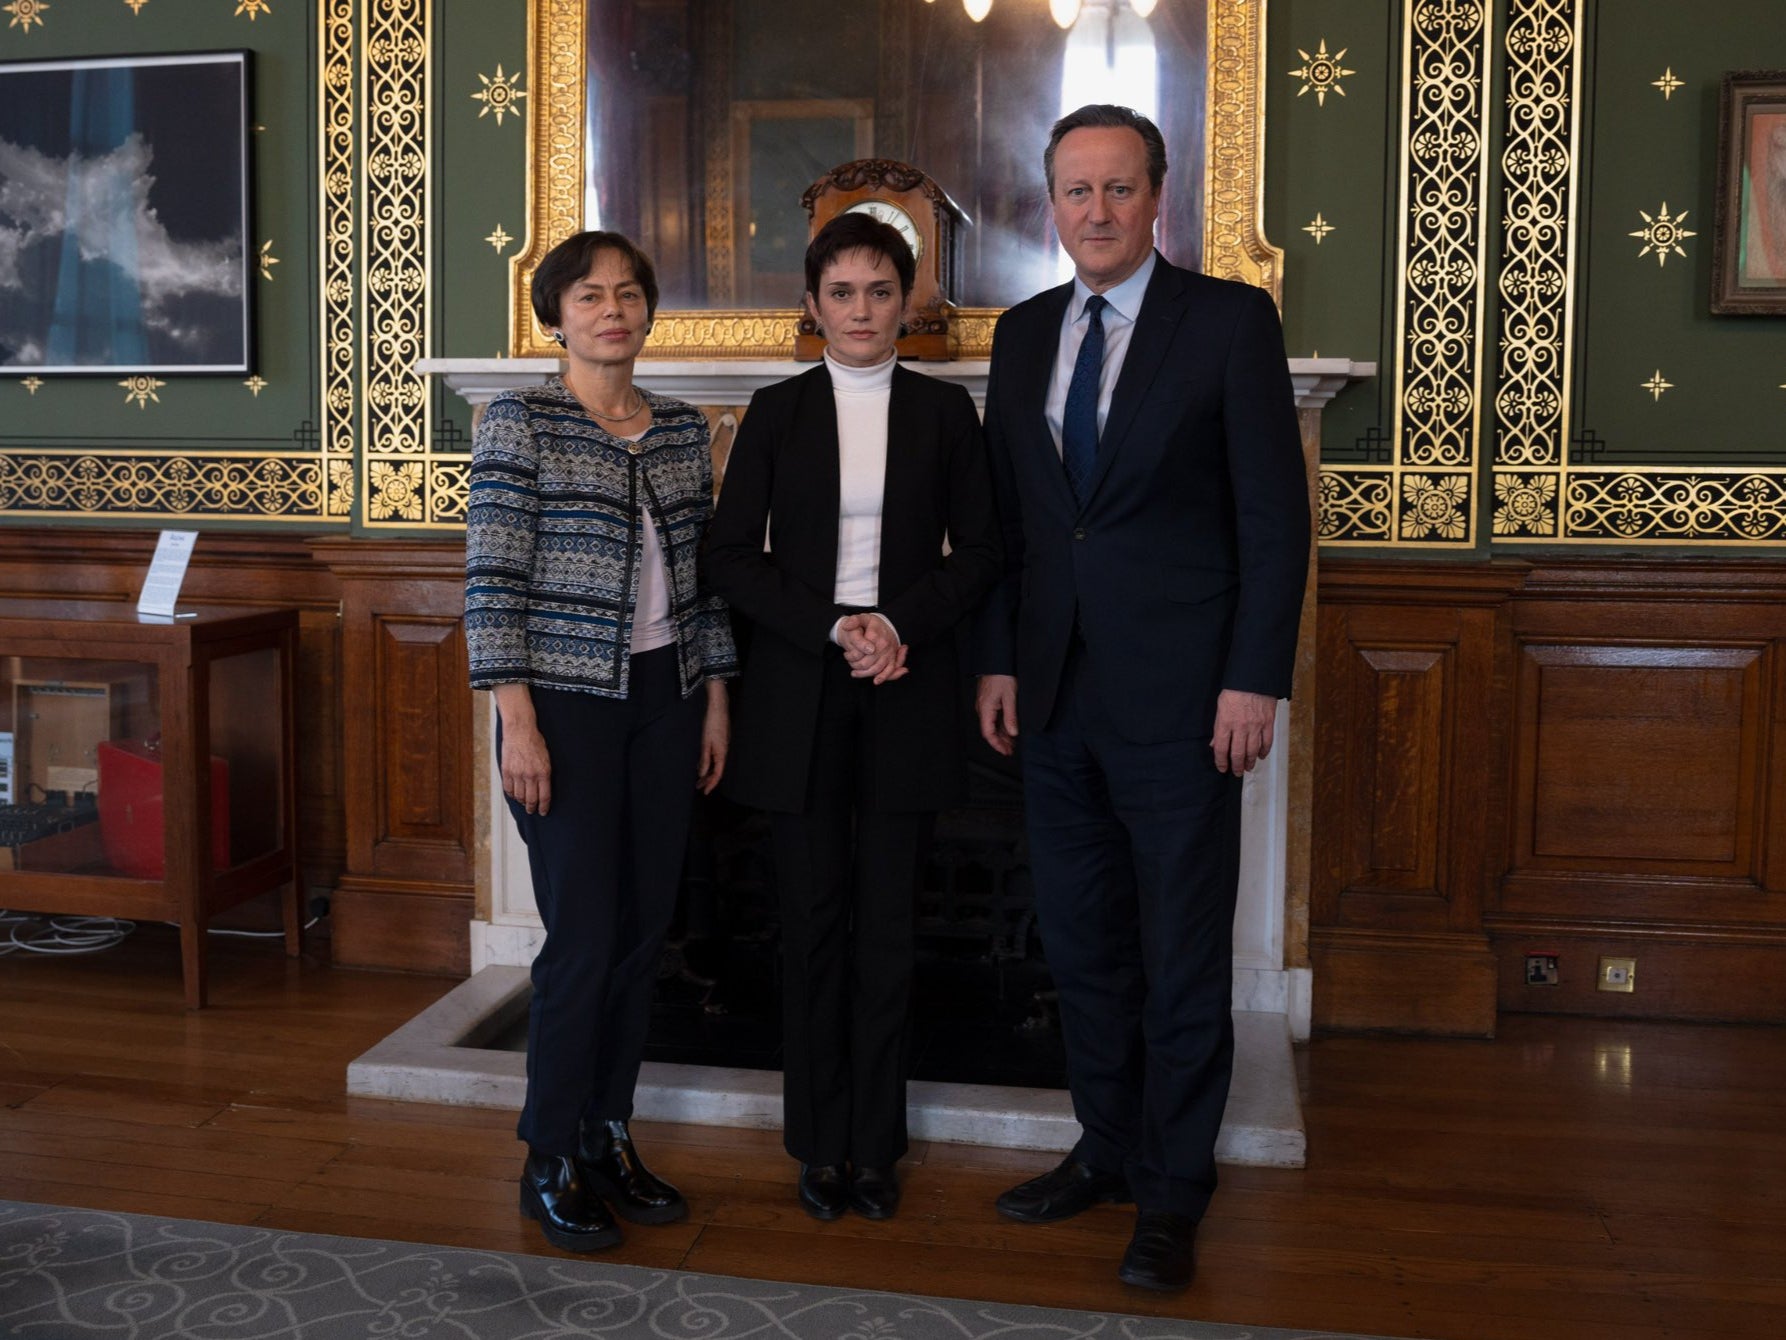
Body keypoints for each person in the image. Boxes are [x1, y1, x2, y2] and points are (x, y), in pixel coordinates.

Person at [974, 105, 1309, 1291]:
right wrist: (1003, 656)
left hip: (1184, 703)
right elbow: (1022, 523)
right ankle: (1104, 1150)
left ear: (1157, 196)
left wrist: (1253, 675)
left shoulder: (1227, 322)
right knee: (1082, 946)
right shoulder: (1020, 338)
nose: (1098, 211)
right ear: (1050, 203)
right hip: (1055, 694)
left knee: (1177, 957)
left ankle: (1174, 1190)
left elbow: (1274, 519)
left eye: (1120, 188)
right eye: (1077, 190)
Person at [705, 212, 1001, 1222]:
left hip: (907, 688)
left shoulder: (944, 415)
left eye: (880, 291)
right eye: (841, 292)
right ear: (811, 304)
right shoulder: (776, 411)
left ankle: (874, 1147)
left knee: (886, 929)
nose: (862, 309)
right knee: (812, 924)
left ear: (905, 302)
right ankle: (815, 1141)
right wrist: (837, 627)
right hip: (801, 691)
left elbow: (982, 553)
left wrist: (893, 626)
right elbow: (731, 555)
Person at [464, 230, 737, 1252]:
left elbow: (702, 581)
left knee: (638, 934)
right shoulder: (518, 421)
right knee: (581, 937)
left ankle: (607, 1127)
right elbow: (490, 582)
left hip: (667, 696)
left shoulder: (677, 427)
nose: (611, 310)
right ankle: (548, 1152)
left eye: (628, 294)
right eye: (589, 295)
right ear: (556, 313)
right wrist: (516, 720)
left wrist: (712, 699)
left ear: (648, 310)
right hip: (565, 709)